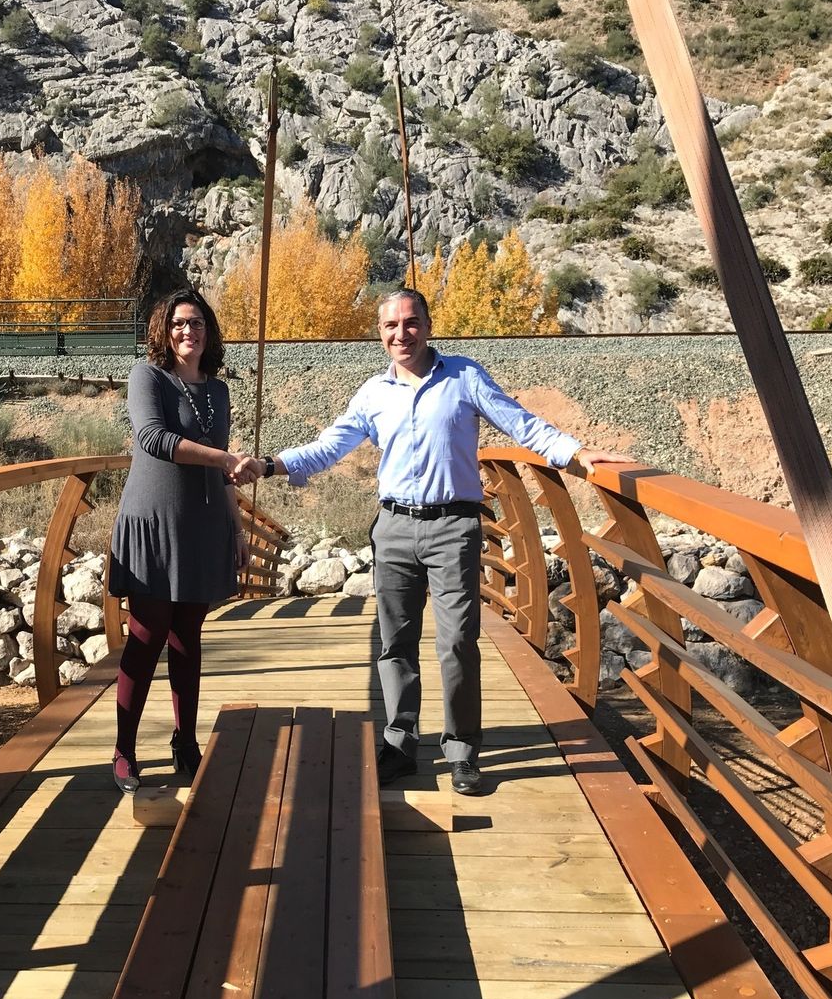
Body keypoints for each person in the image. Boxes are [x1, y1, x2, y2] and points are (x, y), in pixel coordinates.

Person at [233, 288, 630, 796]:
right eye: (390, 326)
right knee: (395, 644)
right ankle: (400, 744)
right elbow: (330, 446)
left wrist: (573, 453)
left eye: (411, 322)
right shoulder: (373, 393)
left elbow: (520, 423)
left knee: (458, 642)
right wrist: (269, 465)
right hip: (394, 528)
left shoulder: (464, 376)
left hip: (453, 528)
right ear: (380, 333)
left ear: (427, 325)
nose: (402, 334)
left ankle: (462, 749)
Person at [108, 289, 250, 793]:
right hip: (152, 523)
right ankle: (124, 749)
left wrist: (235, 526)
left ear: (208, 331)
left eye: (196, 323)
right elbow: (154, 439)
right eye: (177, 324)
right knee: (146, 638)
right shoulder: (148, 377)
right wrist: (224, 459)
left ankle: (184, 741)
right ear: (163, 331)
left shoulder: (218, 392)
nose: (187, 332)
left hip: (202, 525)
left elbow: (225, 472)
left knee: (188, 641)